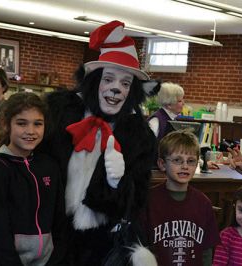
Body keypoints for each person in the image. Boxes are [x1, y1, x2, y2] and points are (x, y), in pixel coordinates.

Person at [43, 20, 158, 266]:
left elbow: (136, 200)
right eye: (109, 79)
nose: (116, 89)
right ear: (95, 81)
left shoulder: (138, 137)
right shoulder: (60, 114)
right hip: (52, 231)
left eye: (125, 83)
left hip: (103, 241)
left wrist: (116, 183)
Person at [0, 92, 66, 266]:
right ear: (6, 125)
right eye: (22, 123)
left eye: (38, 124)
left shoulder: (50, 166)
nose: (31, 131)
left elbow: (60, 220)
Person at [139, 130, 220, 265]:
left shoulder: (203, 203)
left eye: (191, 161)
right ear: (162, 164)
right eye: (177, 160)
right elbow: (139, 247)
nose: (185, 166)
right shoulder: (148, 200)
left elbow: (206, 251)